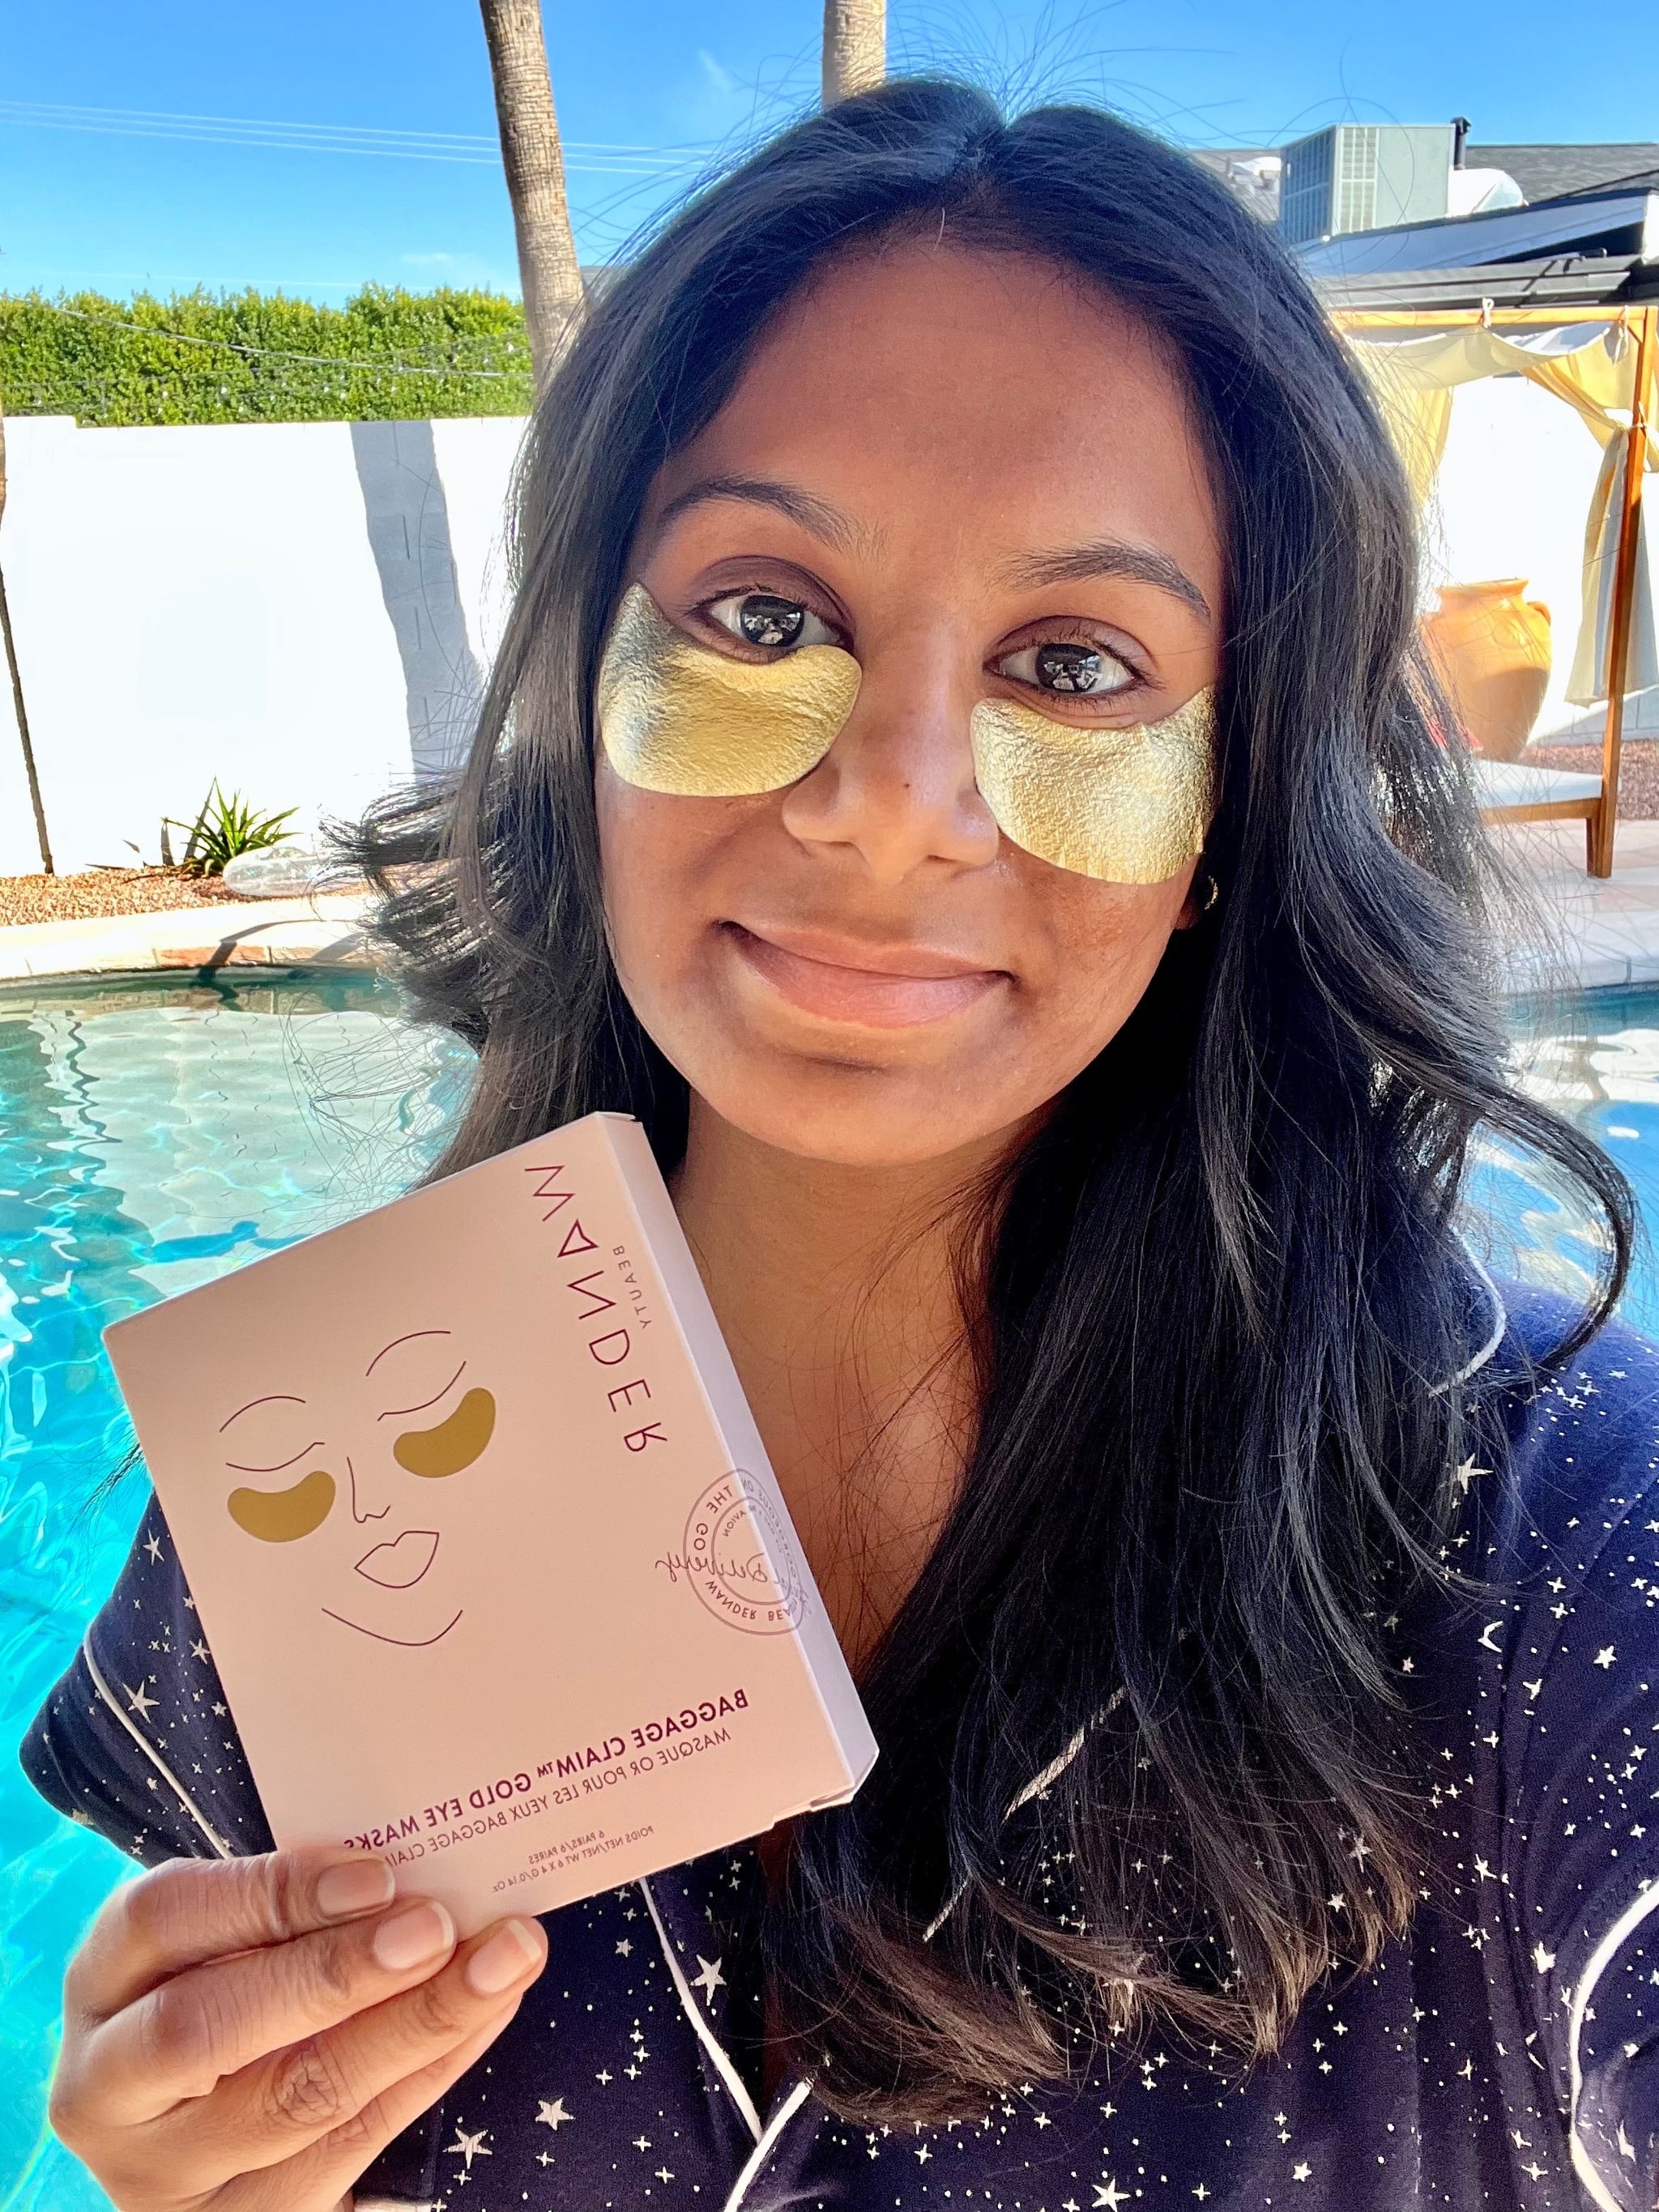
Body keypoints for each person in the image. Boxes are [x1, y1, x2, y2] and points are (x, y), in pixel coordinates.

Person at [19, 79, 1659, 2212]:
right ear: (584, 696)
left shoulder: (1560, 1538)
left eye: (1075, 662)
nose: (889, 797)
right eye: (762, 616)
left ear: (1229, 819)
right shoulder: (324, 1500)